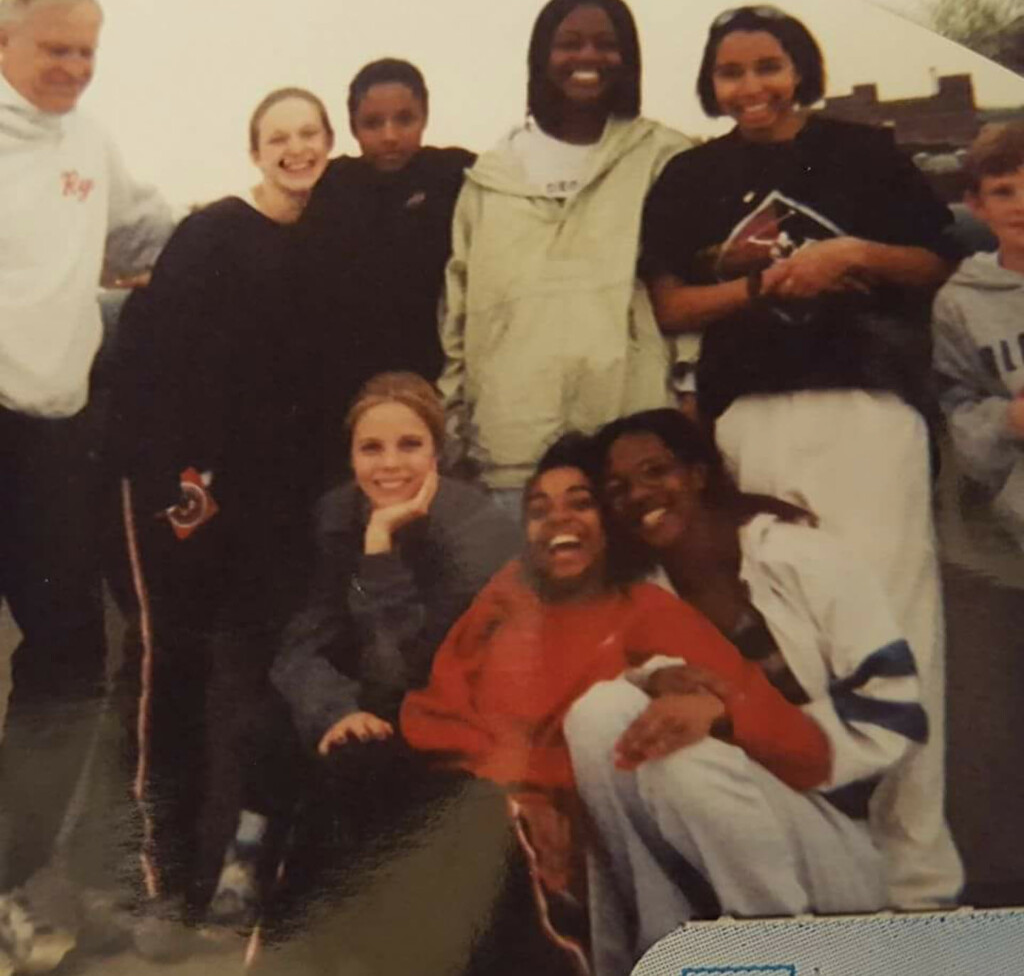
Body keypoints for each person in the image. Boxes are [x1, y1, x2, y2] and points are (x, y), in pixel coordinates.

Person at [639, 3, 962, 908]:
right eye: (732, 72)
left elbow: (936, 260)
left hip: (868, 408)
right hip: (753, 420)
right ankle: (830, 867)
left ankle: (918, 877)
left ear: (799, 68)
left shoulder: (863, 151)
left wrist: (850, 253)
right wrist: (759, 282)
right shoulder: (692, 174)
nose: (752, 88)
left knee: (896, 628)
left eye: (768, 66)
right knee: (789, 636)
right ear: (711, 82)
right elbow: (670, 304)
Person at [401, 432, 835, 974]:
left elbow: (806, 750)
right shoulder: (507, 595)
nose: (558, 520)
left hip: (596, 852)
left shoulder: (647, 609)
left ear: (608, 522)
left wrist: (723, 711)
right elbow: (432, 714)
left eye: (580, 503)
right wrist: (510, 793)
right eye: (539, 509)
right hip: (493, 821)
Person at [574, 407, 927, 974]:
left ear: (698, 474)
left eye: (654, 471)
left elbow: (894, 716)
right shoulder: (645, 595)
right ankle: (654, 948)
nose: (639, 494)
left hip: (833, 845)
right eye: (619, 488)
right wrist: (653, 676)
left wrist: (730, 713)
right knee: (595, 714)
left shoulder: (800, 557)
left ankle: (777, 958)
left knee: (681, 763)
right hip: (715, 844)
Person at [112, 86, 334, 935]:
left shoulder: (327, 238)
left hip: (285, 501)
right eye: (278, 136)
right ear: (254, 149)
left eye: (309, 134)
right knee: (175, 672)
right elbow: (152, 360)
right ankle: (161, 877)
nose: (295, 149)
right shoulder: (210, 235)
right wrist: (180, 481)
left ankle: (248, 862)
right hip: (195, 495)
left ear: (329, 142)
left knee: (284, 671)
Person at [0, 0, 173, 961]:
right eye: (55, 49)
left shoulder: (90, 142)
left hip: (56, 433)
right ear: (6, 47)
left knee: (69, 663)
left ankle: (14, 876)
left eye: (86, 52)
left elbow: (158, 236)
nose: (72, 67)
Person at [253, 372, 521, 970]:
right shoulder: (337, 513)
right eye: (370, 448)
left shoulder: (476, 528)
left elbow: (403, 671)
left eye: (410, 445)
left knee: (369, 772)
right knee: (288, 728)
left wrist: (379, 550)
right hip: (372, 707)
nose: (389, 465)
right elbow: (301, 644)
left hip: (457, 718)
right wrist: (335, 711)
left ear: (437, 451)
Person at [439, 0, 691, 511]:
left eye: (606, 43)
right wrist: (454, 429)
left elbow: (688, 293)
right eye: (569, 43)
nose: (587, 58)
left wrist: (689, 394)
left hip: (631, 437)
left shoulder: (663, 158)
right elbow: (459, 319)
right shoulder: (490, 177)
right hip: (513, 447)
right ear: (541, 58)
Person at [299, 58, 474, 454]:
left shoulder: (452, 174)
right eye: (373, 123)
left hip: (433, 386)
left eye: (404, 119)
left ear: (425, 116)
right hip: (346, 393)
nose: (390, 136)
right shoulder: (329, 185)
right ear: (353, 127)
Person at [933, 122, 1024, 549]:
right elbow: (958, 412)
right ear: (977, 204)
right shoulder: (961, 302)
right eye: (1004, 191)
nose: (1021, 205)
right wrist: (1008, 420)